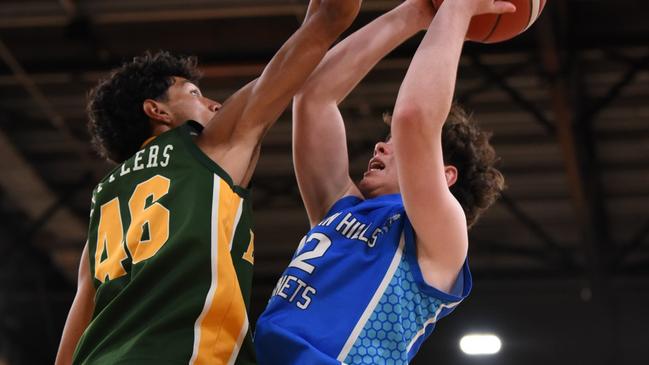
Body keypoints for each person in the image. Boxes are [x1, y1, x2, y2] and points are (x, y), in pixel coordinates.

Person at [54, 1, 362, 364]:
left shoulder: (106, 197)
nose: (215, 105)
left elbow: (79, 321)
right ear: (157, 110)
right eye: (195, 94)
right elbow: (331, 17)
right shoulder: (209, 147)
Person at [254, 0, 510, 363]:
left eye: (393, 144)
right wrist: (415, 12)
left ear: (445, 174)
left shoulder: (441, 236)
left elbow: (414, 118)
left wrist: (457, 9)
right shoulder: (341, 208)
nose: (380, 146)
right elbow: (313, 97)